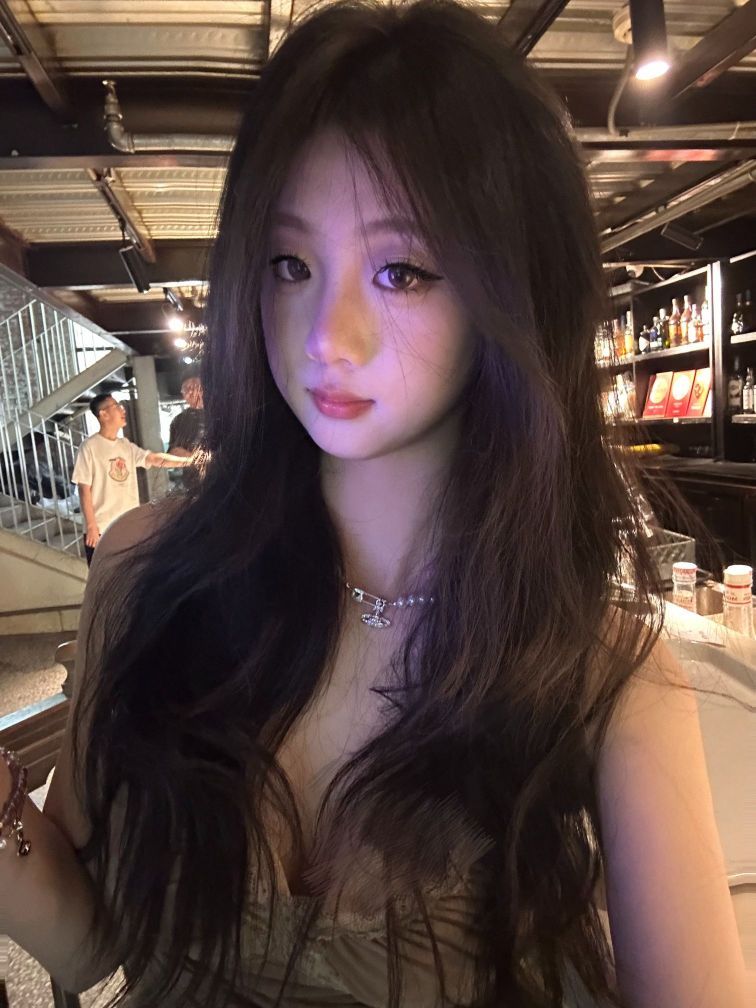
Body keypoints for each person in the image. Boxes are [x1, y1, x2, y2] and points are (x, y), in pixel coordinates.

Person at [0, 3, 748, 1007]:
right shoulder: (149, 572)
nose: (327, 336)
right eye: (291, 265)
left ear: (510, 295)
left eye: (401, 271)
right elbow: (93, 947)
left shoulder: (601, 672)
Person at [72, 392, 192, 565]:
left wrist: (190, 461)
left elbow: (155, 459)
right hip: (102, 529)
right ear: (104, 414)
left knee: (132, 573)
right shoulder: (89, 447)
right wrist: (91, 526)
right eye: (116, 406)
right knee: (104, 576)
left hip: (127, 524)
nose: (122, 410)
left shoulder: (125, 446)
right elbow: (84, 489)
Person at [167, 373, 206, 490]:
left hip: (223, 481)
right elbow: (173, 452)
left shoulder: (221, 413)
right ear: (183, 395)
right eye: (186, 389)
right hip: (193, 484)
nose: (192, 392)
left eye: (195, 386)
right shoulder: (178, 421)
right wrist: (197, 459)